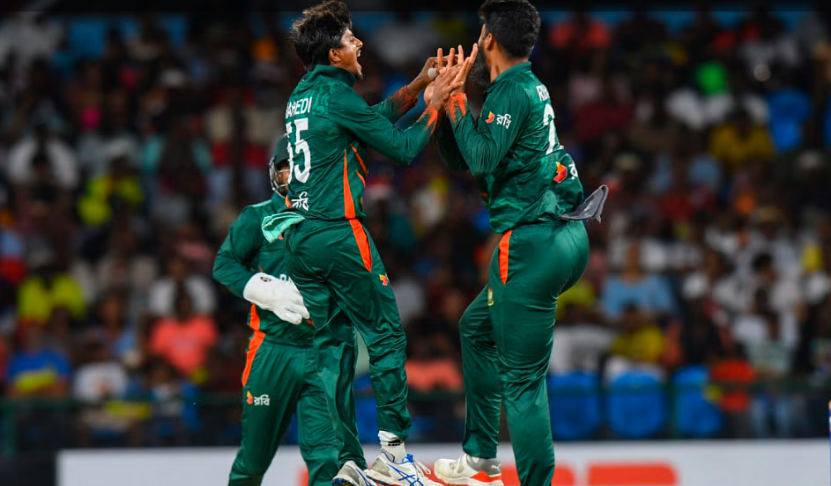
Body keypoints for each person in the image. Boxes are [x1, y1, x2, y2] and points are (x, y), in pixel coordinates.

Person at [278, 2, 462, 484]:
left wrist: (417, 88)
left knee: (334, 346)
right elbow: (399, 148)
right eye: (351, 38)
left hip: (300, 239)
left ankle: (348, 461)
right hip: (339, 232)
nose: (360, 43)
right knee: (385, 335)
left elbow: (366, 121)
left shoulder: (305, 95)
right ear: (335, 55)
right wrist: (435, 105)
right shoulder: (337, 98)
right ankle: (396, 458)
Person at [428, 1, 601, 484]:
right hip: (566, 234)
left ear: (487, 41)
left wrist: (459, 100)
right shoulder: (530, 85)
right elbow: (465, 157)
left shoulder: (509, 91)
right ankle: (479, 458)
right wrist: (445, 110)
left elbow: (480, 158)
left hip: (530, 246)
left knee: (522, 382)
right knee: (476, 330)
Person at [212, 136, 372, 486]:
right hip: (273, 349)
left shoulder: (335, 219)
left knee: (327, 462)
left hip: (322, 351)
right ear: (274, 172)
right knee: (253, 462)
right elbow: (224, 264)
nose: (294, 177)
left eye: (301, 169)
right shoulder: (258, 217)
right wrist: (265, 290)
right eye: (287, 169)